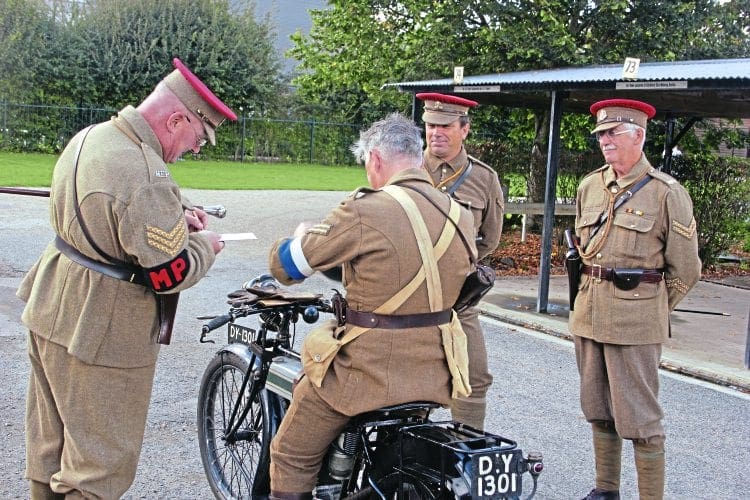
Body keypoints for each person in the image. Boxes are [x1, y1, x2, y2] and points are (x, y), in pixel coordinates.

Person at [17, 57, 237, 499]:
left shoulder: (94, 136)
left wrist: (177, 211)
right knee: (97, 470)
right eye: (197, 137)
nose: (195, 149)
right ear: (176, 118)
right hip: (101, 327)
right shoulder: (145, 176)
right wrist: (204, 247)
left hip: (51, 304)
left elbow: (114, 207)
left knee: (50, 451)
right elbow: (168, 272)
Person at [266, 112, 476, 498]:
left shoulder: (365, 210)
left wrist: (299, 236)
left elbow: (286, 267)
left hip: (366, 373)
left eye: (367, 164)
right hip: (434, 372)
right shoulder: (459, 214)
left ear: (375, 159)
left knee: (291, 453)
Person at [570, 99, 702, 500]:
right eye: (601, 135)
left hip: (636, 323)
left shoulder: (666, 193)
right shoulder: (589, 186)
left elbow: (687, 268)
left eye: (613, 133)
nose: (604, 141)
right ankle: (606, 490)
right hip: (589, 315)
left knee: (641, 420)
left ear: (639, 136)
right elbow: (581, 253)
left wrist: (651, 307)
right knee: (597, 408)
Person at [416, 92, 505, 430]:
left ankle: (465, 453)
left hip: (457, 298)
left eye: (445, 126)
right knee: (404, 377)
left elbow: (490, 238)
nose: (436, 132)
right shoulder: (406, 167)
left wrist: (453, 263)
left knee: (474, 375)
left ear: (464, 129)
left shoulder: (483, 179)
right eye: (430, 125)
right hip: (407, 297)